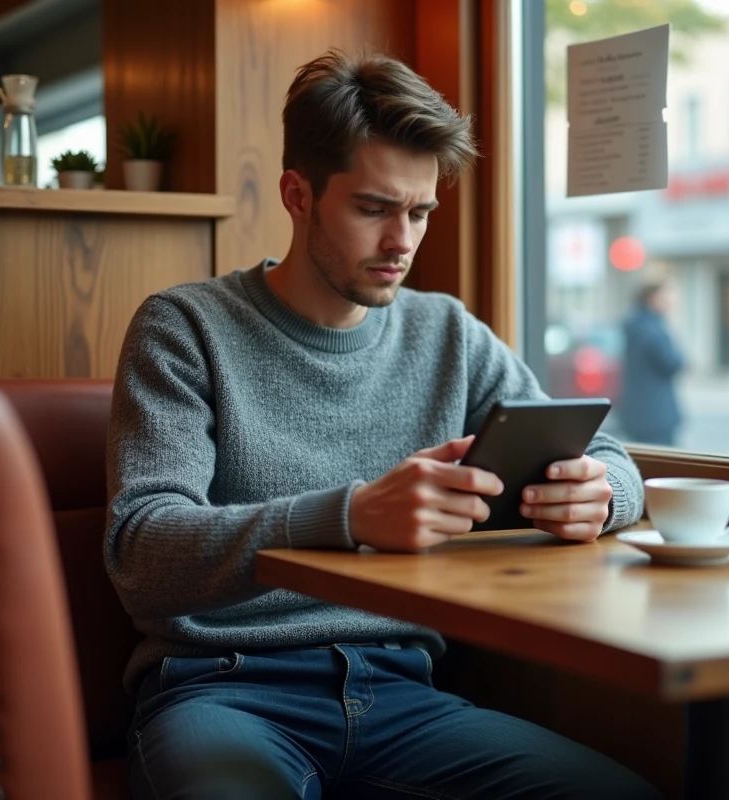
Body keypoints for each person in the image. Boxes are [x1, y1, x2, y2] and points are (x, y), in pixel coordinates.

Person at [106, 50, 658, 800]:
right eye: (373, 209)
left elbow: (608, 454)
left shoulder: (447, 334)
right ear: (297, 195)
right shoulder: (185, 327)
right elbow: (141, 551)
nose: (402, 241)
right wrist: (352, 515)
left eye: (420, 212)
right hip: (221, 689)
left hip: (402, 694)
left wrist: (605, 495)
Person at [617, 283, 685, 446]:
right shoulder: (653, 330)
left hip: (636, 412)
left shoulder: (635, 324)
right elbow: (674, 362)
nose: (672, 301)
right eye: (667, 295)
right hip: (657, 414)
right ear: (653, 298)